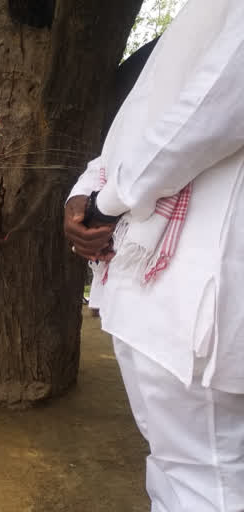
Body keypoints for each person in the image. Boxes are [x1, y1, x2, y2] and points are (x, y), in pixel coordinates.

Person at [64, 2, 244, 510]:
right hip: (147, 286)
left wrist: (105, 202)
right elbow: (130, 132)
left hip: (192, 285)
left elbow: (210, 105)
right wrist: (82, 195)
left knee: (209, 476)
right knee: (173, 466)